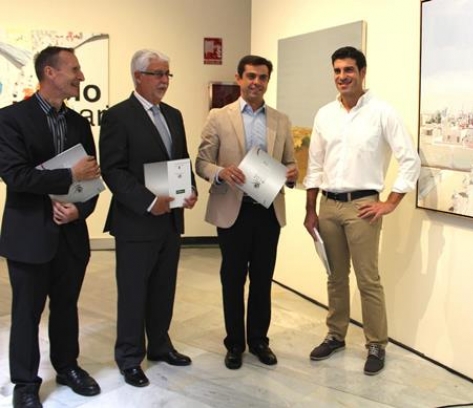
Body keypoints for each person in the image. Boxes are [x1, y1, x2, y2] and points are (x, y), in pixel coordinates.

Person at [303, 46, 421, 376]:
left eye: (349, 70)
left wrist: (390, 202)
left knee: (368, 279)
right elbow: (314, 165)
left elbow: (410, 159)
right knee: (335, 277)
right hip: (328, 206)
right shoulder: (324, 114)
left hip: (363, 207)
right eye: (337, 71)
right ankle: (335, 335)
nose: (342, 76)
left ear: (362, 72)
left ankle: (376, 344)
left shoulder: (383, 112)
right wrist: (310, 209)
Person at [0, 46, 102, 408]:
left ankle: (68, 367)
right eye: (74, 69)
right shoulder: (10, 119)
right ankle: (25, 384)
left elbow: (92, 178)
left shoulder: (79, 123)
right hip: (28, 234)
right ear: (50, 72)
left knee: (66, 306)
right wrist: (67, 175)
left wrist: (80, 210)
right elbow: (14, 175)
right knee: (27, 312)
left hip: (70, 234)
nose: (81, 76)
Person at [99, 49, 198, 388]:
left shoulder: (174, 114)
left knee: (163, 288)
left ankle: (159, 345)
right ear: (138, 76)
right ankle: (129, 357)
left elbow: (180, 159)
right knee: (133, 292)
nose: (164, 81)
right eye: (157, 73)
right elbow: (113, 170)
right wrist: (147, 201)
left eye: (168, 74)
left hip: (169, 221)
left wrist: (189, 190)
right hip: (136, 222)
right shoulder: (118, 116)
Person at [195, 55, 298, 369]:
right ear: (239, 78)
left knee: (263, 279)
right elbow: (201, 162)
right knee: (233, 278)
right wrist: (222, 172)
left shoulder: (281, 120)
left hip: (267, 211)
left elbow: (291, 161)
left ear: (268, 81)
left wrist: (291, 173)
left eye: (263, 77)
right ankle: (234, 343)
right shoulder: (218, 116)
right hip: (232, 210)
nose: (256, 82)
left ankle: (259, 341)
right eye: (251, 76)